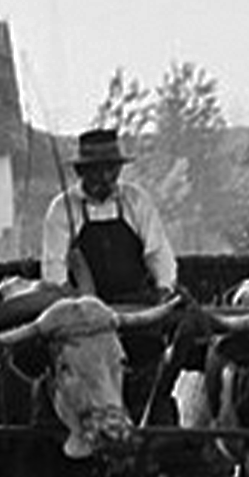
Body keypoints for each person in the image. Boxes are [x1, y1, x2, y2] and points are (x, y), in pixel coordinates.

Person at [41, 128, 181, 421]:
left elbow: (158, 253)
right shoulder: (62, 210)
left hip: (136, 310)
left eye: (111, 170)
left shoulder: (136, 201)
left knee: (151, 364)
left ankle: (153, 419)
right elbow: (53, 271)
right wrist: (77, 309)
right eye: (96, 171)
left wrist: (164, 290)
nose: (105, 178)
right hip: (85, 318)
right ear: (82, 171)